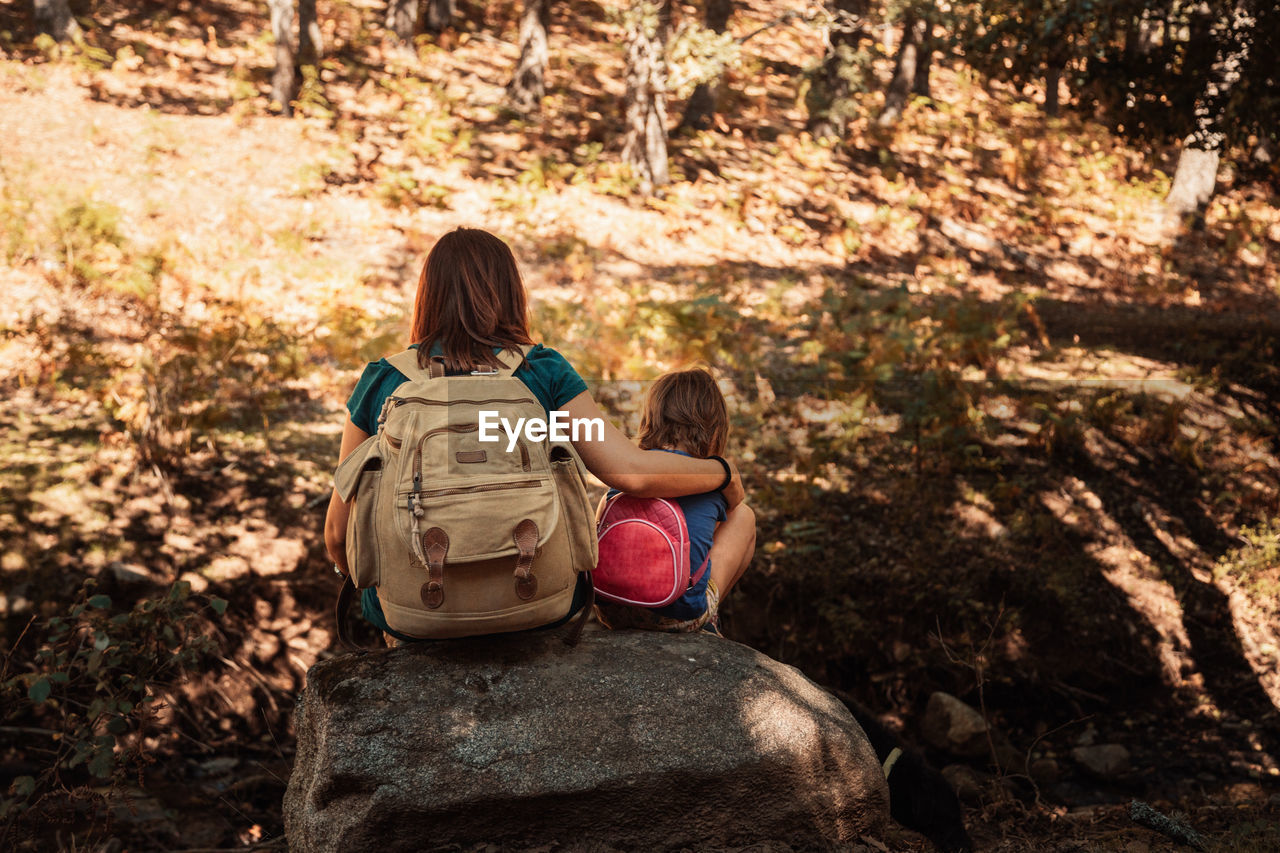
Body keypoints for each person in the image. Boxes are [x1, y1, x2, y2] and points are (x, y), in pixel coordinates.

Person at [323, 227, 744, 642]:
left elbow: (338, 535)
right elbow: (629, 472)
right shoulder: (543, 372)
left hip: (414, 620)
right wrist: (722, 473)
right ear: (510, 293)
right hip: (538, 607)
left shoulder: (384, 380)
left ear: (427, 296)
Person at [594, 367, 756, 636]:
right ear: (715, 426)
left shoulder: (628, 473)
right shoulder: (710, 480)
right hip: (675, 618)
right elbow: (735, 503)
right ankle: (707, 619)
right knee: (743, 516)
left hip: (612, 610)